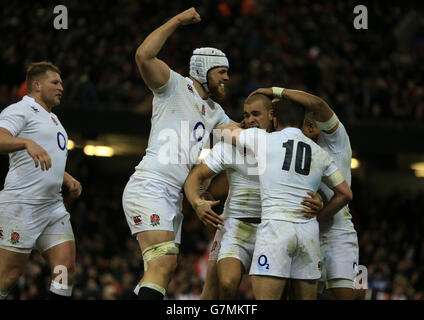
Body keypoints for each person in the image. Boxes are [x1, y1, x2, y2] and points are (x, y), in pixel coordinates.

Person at [122, 8, 235, 300]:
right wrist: (177, 21)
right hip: (151, 184)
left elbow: (242, 135)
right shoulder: (174, 85)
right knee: (163, 263)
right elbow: (143, 56)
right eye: (221, 72)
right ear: (203, 70)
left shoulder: (215, 111)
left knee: (162, 269)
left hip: (174, 196)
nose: (227, 78)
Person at [184, 94, 322, 299]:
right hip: (235, 226)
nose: (250, 120)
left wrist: (318, 198)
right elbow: (195, 177)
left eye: (256, 114)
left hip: (274, 229)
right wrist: (197, 203)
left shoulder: (287, 147)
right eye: (246, 115)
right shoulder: (231, 145)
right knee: (224, 287)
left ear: (272, 115)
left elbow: (305, 181)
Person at [221, 98, 353, 299]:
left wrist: (243, 125)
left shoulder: (264, 139)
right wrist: (319, 216)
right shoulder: (319, 152)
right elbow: (345, 194)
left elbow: (221, 131)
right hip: (308, 232)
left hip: (276, 229)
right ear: (302, 121)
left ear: (274, 119)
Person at [0, 61, 82, 300]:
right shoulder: (20, 110)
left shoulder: (54, 120)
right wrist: (26, 142)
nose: (61, 88)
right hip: (22, 203)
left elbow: (47, 157)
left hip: (52, 206)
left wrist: (65, 177)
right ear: (36, 85)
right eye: (55, 82)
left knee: (64, 269)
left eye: (61, 83)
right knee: (8, 276)